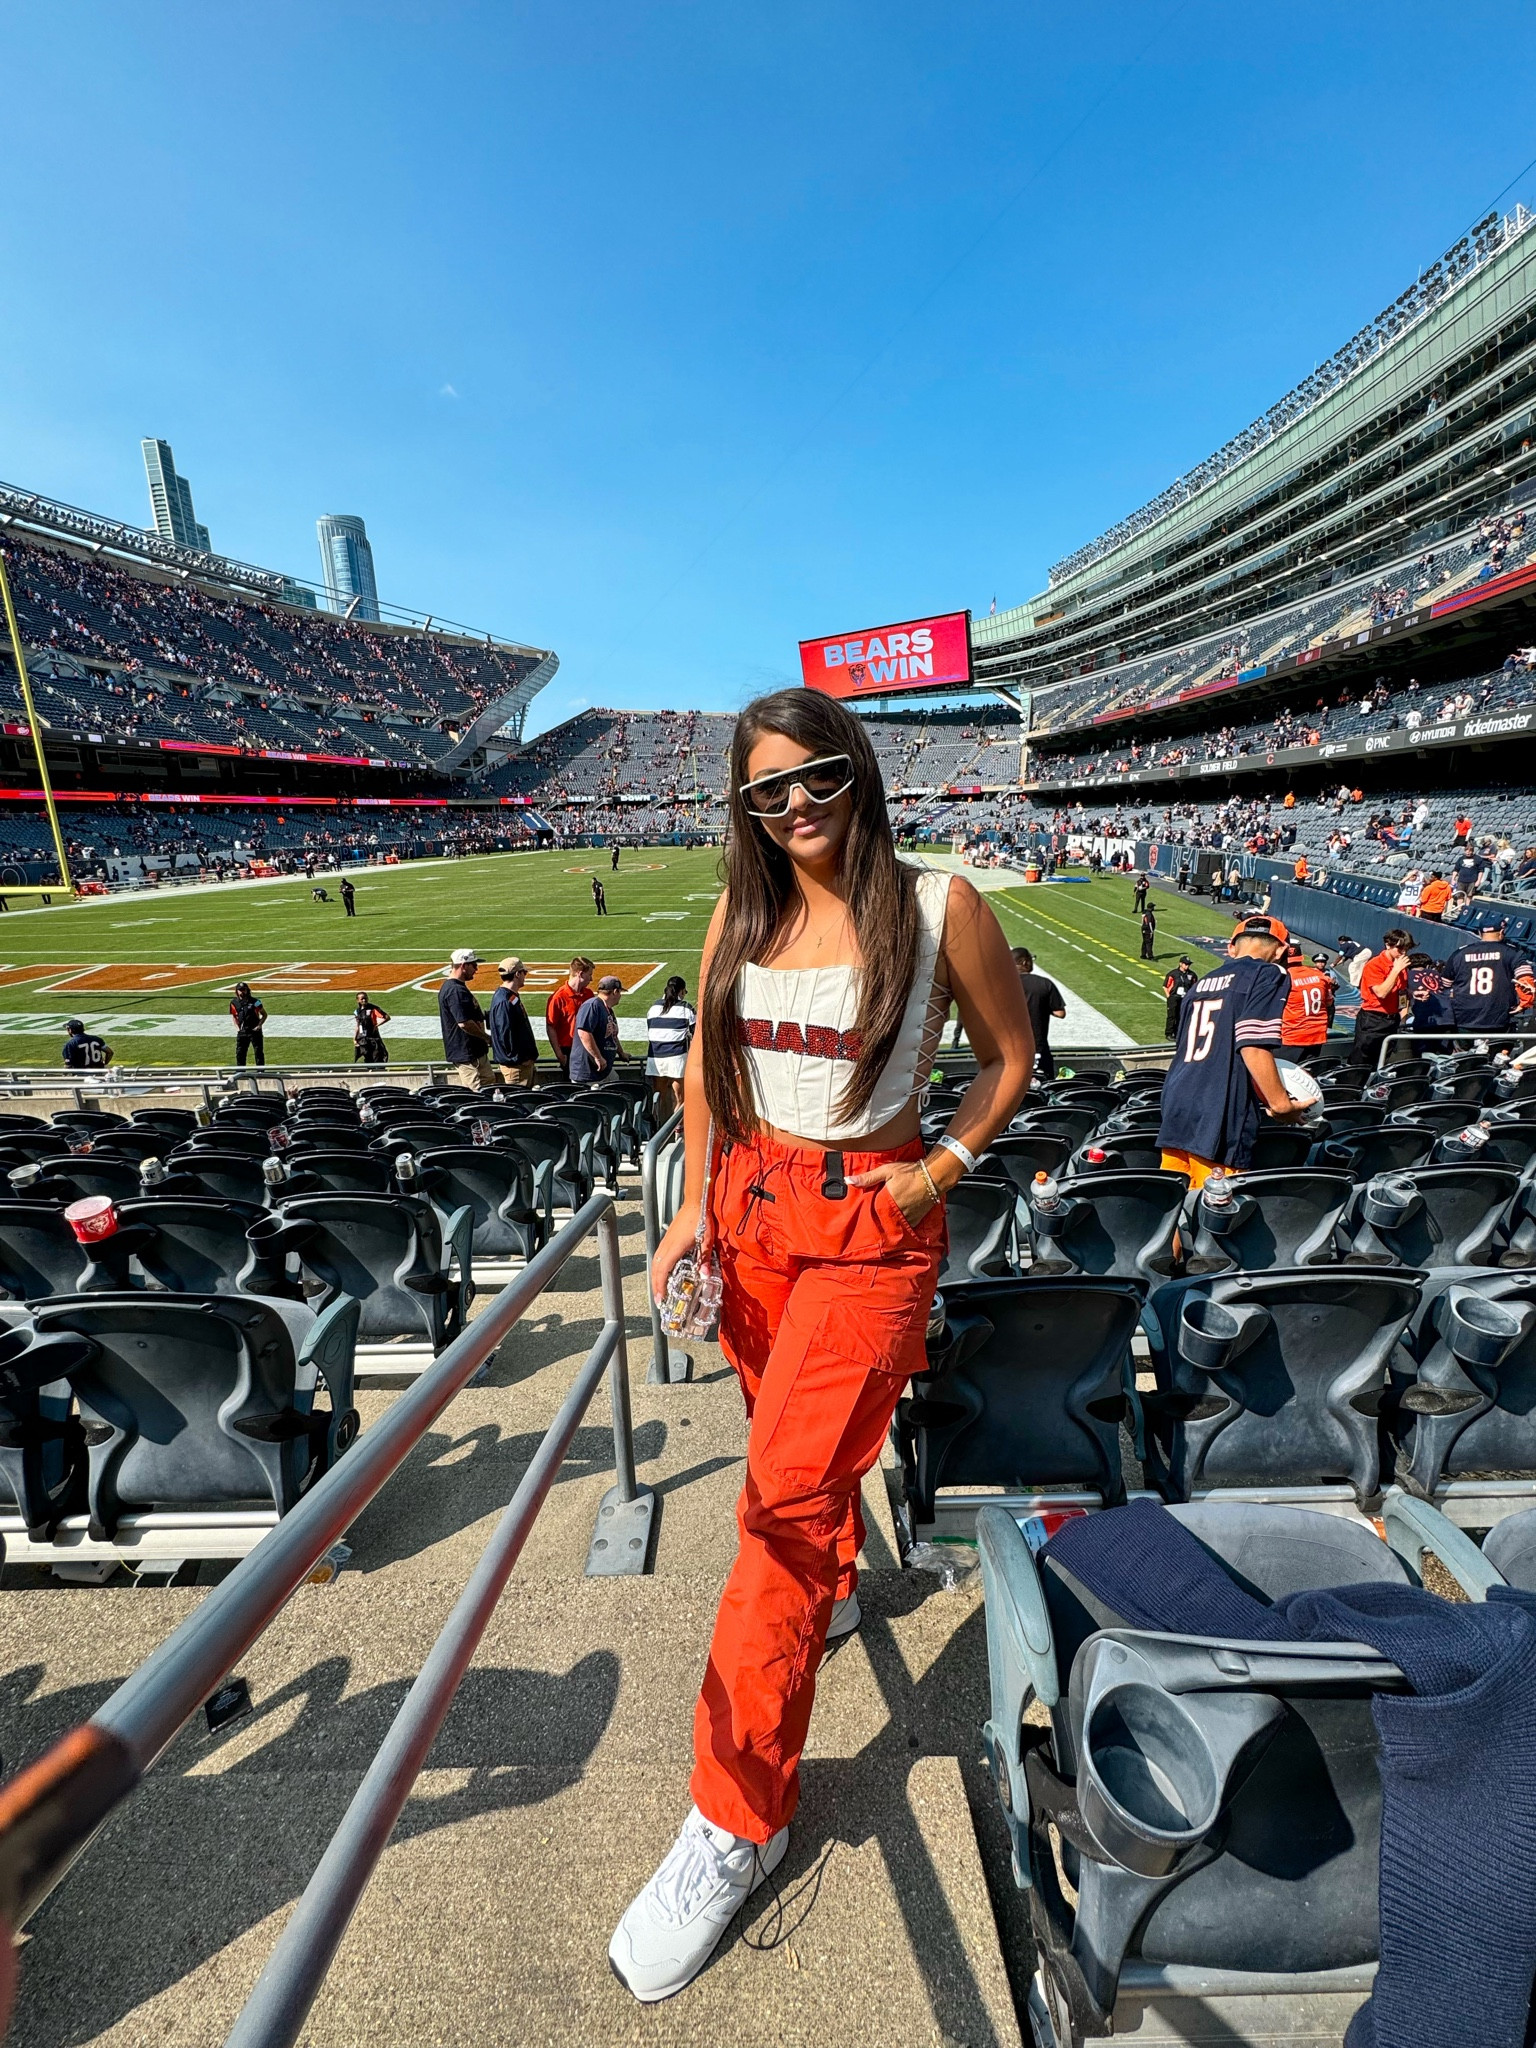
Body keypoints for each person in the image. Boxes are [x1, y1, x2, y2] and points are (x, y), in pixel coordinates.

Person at [610, 689, 1032, 2004]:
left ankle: (739, 1817)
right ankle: (839, 1594)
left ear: (859, 774)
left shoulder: (941, 902)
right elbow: (703, 1074)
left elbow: (1012, 1059)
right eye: (764, 794)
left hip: (868, 1220)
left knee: (779, 1505)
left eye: (814, 782)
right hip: (749, 1209)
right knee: (794, 1468)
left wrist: (941, 1169)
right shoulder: (743, 909)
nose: (792, 809)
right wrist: (690, 1206)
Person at [1159, 916, 1301, 1187]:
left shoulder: (1200, 983)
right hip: (1219, 1106)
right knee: (1214, 1207)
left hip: (1177, 1099)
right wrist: (1281, 1105)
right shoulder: (1270, 973)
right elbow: (1253, 1044)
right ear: (1282, 950)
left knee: (1174, 1202)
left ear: (1231, 948)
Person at [1352, 928, 1413, 1073]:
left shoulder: (1401, 966)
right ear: (1388, 945)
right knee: (1361, 1060)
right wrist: (1396, 970)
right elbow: (1381, 992)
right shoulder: (1375, 965)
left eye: (1406, 948)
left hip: (1392, 1019)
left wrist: (1403, 1017)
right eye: (1399, 948)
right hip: (1373, 1019)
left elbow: (1401, 994)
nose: (1403, 952)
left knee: (1382, 1060)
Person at [1448, 917, 1519, 1035]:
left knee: (1464, 1053)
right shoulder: (1512, 952)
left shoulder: (1460, 953)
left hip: (1464, 1016)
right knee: (1498, 1052)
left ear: (1480, 933)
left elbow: (1445, 984)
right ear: (1502, 932)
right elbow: (1525, 977)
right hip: (1499, 1017)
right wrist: (1524, 1003)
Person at [438, 948, 493, 1088]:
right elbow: (464, 1023)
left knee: (488, 1085)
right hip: (467, 1054)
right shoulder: (455, 990)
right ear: (463, 966)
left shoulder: (457, 988)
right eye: (474, 965)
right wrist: (486, 1037)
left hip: (474, 1052)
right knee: (477, 1091)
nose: (476, 969)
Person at [645, 974, 695, 1117]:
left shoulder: (654, 1007)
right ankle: (677, 1133)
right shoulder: (686, 1008)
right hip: (677, 1057)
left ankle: (657, 1129)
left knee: (659, 1096)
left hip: (656, 1057)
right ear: (680, 992)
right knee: (679, 1098)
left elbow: (651, 1029)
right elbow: (696, 1033)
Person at [1012, 946, 1065, 1080]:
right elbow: (1060, 1013)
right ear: (1025, 962)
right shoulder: (1044, 984)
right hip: (1037, 1046)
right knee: (1043, 1085)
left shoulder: (1000, 984)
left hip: (1009, 1047)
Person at [490, 956, 539, 1087]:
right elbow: (505, 1036)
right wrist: (521, 1059)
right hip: (516, 1067)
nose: (525, 976)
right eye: (524, 972)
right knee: (519, 1102)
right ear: (517, 974)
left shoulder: (508, 996)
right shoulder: (504, 1001)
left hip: (519, 1065)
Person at [545, 956, 594, 1076]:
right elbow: (551, 1026)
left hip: (587, 1047)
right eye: (589, 974)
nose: (591, 979)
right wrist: (560, 1055)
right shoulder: (558, 997)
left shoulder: (589, 994)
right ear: (581, 974)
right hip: (569, 1049)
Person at [570, 973, 622, 1083]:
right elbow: (584, 1033)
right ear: (615, 992)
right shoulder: (592, 1005)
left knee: (616, 1084)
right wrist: (598, 1057)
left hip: (603, 1071)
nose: (620, 995)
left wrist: (621, 1052)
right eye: (620, 992)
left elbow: (612, 1035)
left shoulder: (607, 1008)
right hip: (589, 1072)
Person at [1280, 942, 1334, 1048]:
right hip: (1317, 1034)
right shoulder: (1320, 975)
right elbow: (1329, 1002)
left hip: (1292, 1036)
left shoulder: (1283, 977)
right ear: (1301, 958)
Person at [230, 981, 267, 1067]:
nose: (242, 992)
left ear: (247, 990)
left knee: (258, 1052)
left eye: (244, 990)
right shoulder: (233, 1003)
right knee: (240, 1052)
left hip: (255, 1031)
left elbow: (264, 1014)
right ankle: (240, 1071)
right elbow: (234, 1016)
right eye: (240, 990)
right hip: (243, 1031)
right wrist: (238, 1028)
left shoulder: (256, 1002)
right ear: (237, 991)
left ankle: (260, 1071)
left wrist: (259, 1025)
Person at [1163, 956, 1197, 1040]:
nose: (1187, 966)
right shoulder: (1173, 974)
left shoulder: (1192, 975)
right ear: (1180, 964)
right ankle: (1169, 1033)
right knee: (1172, 1016)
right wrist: (1169, 997)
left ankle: (1178, 1032)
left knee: (1181, 1016)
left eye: (1188, 964)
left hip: (1185, 998)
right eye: (1185, 964)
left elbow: (1194, 987)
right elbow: (1165, 986)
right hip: (1174, 997)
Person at [353, 992, 390, 1064]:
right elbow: (357, 1025)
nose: (364, 1000)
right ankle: (370, 1070)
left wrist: (376, 1025)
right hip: (363, 1038)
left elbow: (387, 1017)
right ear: (358, 1000)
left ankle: (378, 1071)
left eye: (365, 998)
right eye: (362, 999)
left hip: (373, 1036)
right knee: (367, 1055)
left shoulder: (373, 1008)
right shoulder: (357, 1011)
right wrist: (354, 1038)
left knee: (378, 1054)